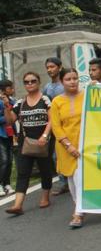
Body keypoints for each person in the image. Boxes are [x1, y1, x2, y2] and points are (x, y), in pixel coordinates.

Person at [3, 72, 53, 215]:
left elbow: (52, 119)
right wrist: (7, 106)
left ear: (39, 82)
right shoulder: (20, 102)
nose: (30, 84)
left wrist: (45, 135)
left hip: (43, 141)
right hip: (24, 142)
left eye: (33, 81)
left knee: (45, 170)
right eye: (26, 82)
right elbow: (10, 121)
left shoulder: (45, 99)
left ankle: (45, 197)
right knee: (23, 173)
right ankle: (18, 205)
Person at [49, 68, 84, 228]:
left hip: (85, 143)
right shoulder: (56, 101)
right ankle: (79, 206)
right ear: (62, 82)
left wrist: (97, 87)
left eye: (75, 78)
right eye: (68, 79)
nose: (72, 82)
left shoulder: (87, 95)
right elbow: (56, 126)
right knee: (71, 179)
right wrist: (68, 145)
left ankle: (78, 213)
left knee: (79, 178)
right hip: (65, 146)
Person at [42, 57, 68, 196]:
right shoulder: (47, 87)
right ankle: (64, 182)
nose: (49, 70)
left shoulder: (64, 85)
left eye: (52, 67)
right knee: (56, 156)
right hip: (54, 126)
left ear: (59, 67)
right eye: (48, 67)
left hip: (69, 124)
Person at [0, 80, 16, 197]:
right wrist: (6, 118)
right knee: (4, 160)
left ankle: (7, 184)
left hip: (10, 134)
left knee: (10, 160)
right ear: (3, 90)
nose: (12, 90)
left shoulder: (12, 101)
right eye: (10, 88)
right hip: (1, 134)